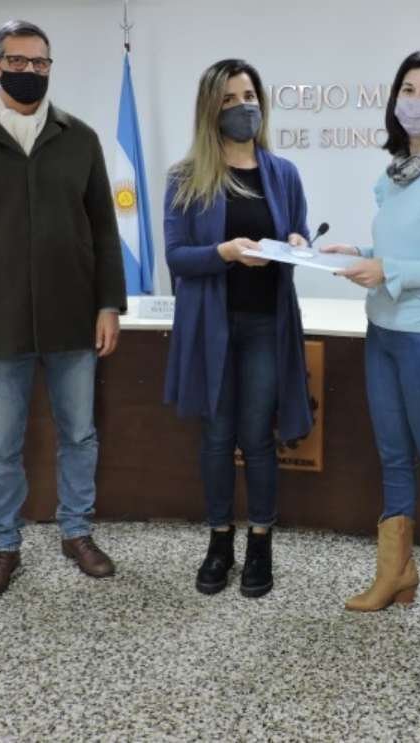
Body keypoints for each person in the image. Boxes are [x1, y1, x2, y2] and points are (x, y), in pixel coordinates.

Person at [0, 19, 127, 601]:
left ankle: (77, 533)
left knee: (80, 435)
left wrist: (109, 304)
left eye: (40, 63)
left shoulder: (79, 137)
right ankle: (4, 546)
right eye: (17, 61)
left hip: (73, 316)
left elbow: (104, 230)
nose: (30, 72)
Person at [322, 51, 420, 630]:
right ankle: (396, 573)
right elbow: (401, 251)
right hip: (383, 333)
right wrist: (358, 254)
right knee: (392, 457)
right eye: (407, 89)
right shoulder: (395, 173)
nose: (416, 100)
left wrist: (387, 269)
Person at [163, 59, 312, 598]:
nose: (242, 106)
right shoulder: (186, 177)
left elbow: (299, 238)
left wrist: (297, 245)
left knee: (257, 437)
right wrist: (224, 253)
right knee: (217, 436)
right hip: (212, 327)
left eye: (248, 96)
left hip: (266, 324)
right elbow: (177, 256)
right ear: (210, 108)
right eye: (229, 99)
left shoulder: (283, 173)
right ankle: (219, 541)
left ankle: (260, 543)